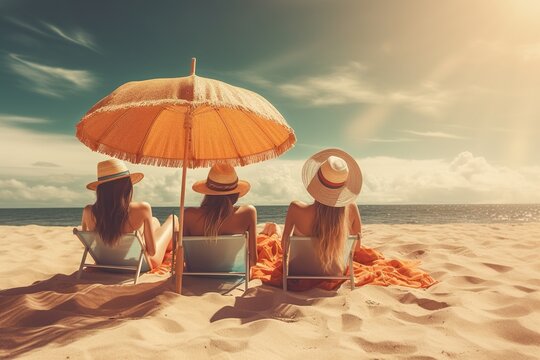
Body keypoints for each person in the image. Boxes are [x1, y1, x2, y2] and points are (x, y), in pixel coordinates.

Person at [81, 159, 177, 269]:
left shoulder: (88, 211)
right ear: (127, 186)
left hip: (104, 263)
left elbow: (88, 245)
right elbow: (151, 252)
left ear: (100, 189)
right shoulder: (142, 208)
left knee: (154, 221)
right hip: (139, 264)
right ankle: (171, 249)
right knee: (173, 219)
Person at [279, 148, 362, 275]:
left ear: (316, 181)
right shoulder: (352, 208)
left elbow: (284, 247)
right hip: (335, 273)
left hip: (300, 273)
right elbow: (356, 248)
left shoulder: (295, 209)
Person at [183, 164, 258, 267]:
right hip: (233, 276)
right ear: (235, 193)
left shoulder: (188, 215)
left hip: (196, 273)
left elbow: (184, 258)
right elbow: (253, 261)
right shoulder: (248, 212)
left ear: (207, 192)